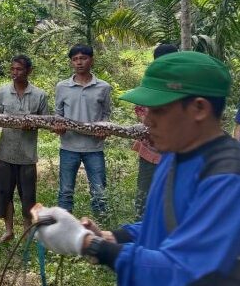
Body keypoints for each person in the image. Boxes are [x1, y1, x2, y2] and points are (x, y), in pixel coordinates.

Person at [34, 51, 240, 286]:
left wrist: (89, 244)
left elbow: (182, 271)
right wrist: (110, 237)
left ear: (199, 109)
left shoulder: (226, 176)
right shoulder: (175, 154)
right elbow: (160, 222)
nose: (146, 120)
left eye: (159, 110)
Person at [0, 55, 47, 243]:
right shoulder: (1, 93)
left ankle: (26, 231)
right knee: (3, 193)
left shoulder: (40, 95)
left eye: (20, 69)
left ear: (29, 71)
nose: (15, 73)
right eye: (13, 69)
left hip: (27, 155)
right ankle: (8, 230)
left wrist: (34, 125)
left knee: (28, 196)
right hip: (4, 153)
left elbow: (45, 122)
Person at [53, 44, 112, 218]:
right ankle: (63, 229)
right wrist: (58, 126)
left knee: (99, 192)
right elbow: (58, 113)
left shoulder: (103, 87)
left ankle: (102, 229)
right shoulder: (62, 87)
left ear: (91, 60)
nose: (79, 62)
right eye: (75, 59)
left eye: (83, 58)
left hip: (94, 148)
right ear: (71, 62)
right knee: (65, 191)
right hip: (68, 147)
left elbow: (106, 113)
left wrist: (104, 128)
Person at [132, 44, 178, 217]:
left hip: (176, 152)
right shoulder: (149, 82)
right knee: (144, 196)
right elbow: (139, 108)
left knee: (171, 195)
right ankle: (140, 228)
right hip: (150, 151)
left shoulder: (184, 84)